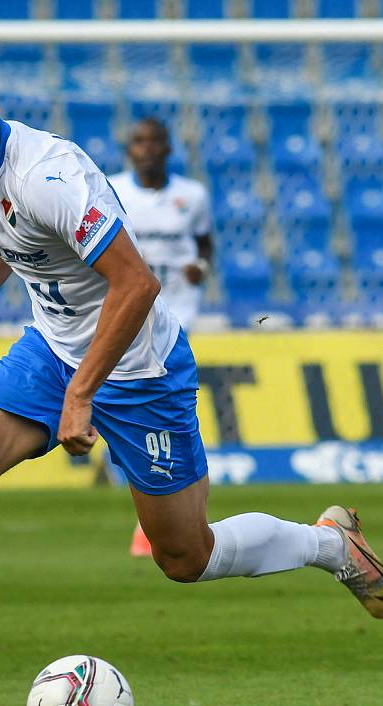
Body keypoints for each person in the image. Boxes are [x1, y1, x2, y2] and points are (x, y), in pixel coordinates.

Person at [0, 61, 383, 706]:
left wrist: (83, 394)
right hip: (51, 350)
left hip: (139, 369)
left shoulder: (50, 176)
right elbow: (1, 238)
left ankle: (328, 544)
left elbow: (135, 285)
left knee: (183, 557)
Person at [109, 118, 213, 557]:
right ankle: (162, 512)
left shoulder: (193, 195)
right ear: (128, 149)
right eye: (139, 141)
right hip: (128, 315)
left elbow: (205, 244)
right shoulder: (112, 190)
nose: (147, 149)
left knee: (168, 407)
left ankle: (163, 518)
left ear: (169, 149)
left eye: (155, 142)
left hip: (178, 316)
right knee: (142, 408)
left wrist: (201, 269)